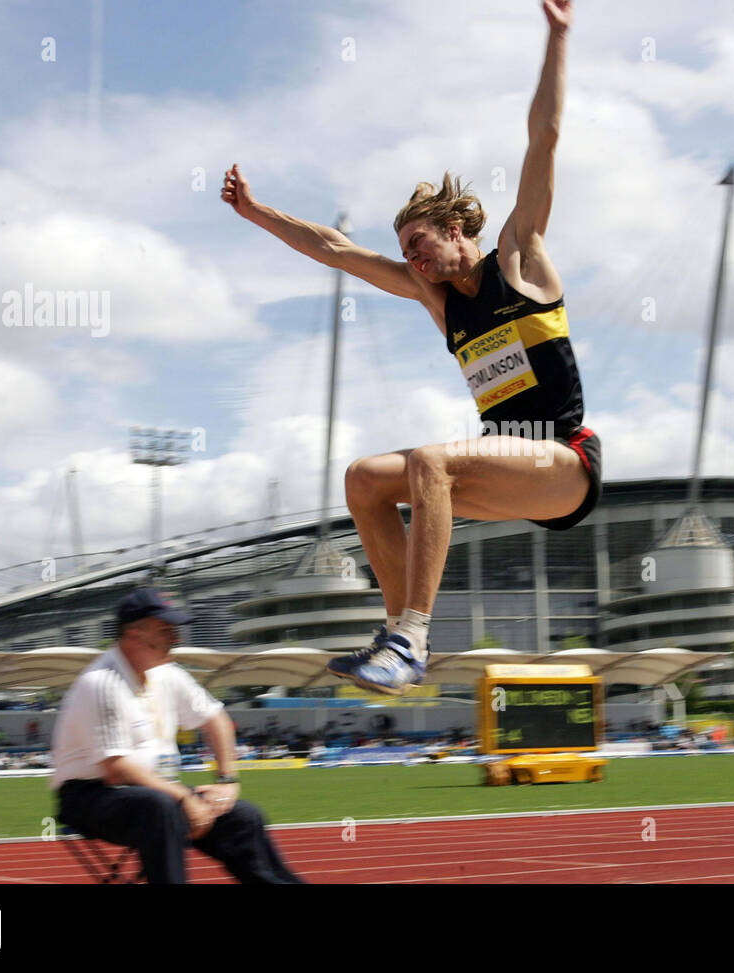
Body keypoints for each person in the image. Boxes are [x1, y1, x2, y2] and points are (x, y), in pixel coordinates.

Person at [221, 0, 599, 696]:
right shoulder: (437, 300)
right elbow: (335, 250)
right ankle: (398, 633)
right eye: (405, 254)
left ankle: (411, 635)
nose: (413, 261)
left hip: (564, 462)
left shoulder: (519, 256)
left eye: (419, 245)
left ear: (458, 227)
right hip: (503, 468)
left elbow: (543, 139)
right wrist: (255, 211)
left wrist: (557, 36)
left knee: (429, 459)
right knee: (364, 479)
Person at [51, 588, 304, 884]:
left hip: (158, 792)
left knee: (242, 815)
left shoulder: (168, 674)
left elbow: (216, 720)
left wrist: (227, 782)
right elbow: (116, 768)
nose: (177, 638)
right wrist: (184, 798)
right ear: (133, 633)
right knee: (160, 809)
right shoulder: (102, 683)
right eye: (166, 630)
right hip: (91, 796)